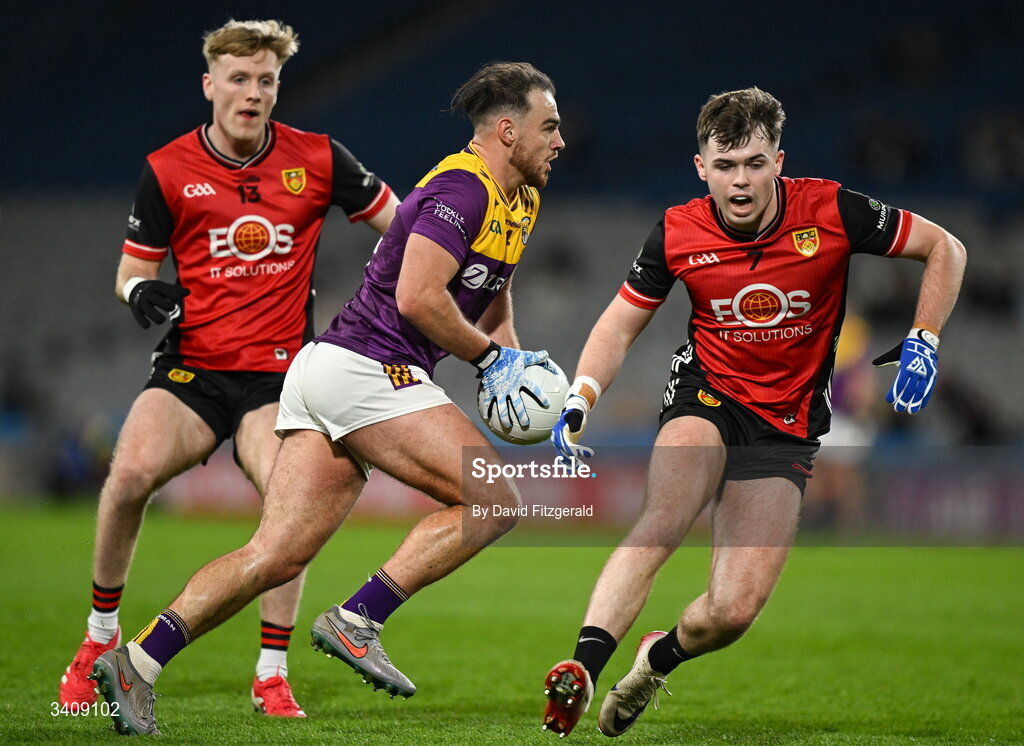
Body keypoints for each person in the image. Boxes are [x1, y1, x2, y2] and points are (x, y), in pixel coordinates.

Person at [89, 61, 565, 736]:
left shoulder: (520, 198)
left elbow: (491, 277)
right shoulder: (462, 188)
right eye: (549, 126)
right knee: (493, 498)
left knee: (274, 554)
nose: (560, 140)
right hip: (369, 368)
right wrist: (490, 360)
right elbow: (419, 297)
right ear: (508, 130)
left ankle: (137, 661)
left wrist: (507, 348)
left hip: (328, 371)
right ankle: (358, 618)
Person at [540, 87, 966, 738]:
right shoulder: (679, 230)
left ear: (779, 162)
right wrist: (581, 395)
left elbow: (946, 248)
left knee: (733, 611)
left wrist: (925, 338)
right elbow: (619, 324)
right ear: (701, 167)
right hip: (707, 395)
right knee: (665, 516)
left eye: (755, 163)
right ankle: (582, 669)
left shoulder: (831, 210)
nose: (741, 180)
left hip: (787, 424)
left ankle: (657, 659)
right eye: (727, 164)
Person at [57, 18, 399, 719]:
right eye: (238, 79)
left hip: (277, 382)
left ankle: (271, 673)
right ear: (209, 85)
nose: (252, 93)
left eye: (266, 80)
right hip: (192, 372)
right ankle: (97, 641)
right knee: (125, 478)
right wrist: (138, 290)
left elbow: (402, 225)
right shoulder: (168, 168)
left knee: (290, 515)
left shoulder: (319, 159)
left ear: (278, 87)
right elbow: (132, 270)